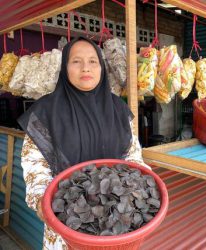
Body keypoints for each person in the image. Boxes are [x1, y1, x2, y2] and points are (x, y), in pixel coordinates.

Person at [18, 37, 150, 249]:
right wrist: (44, 202)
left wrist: (141, 192)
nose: (85, 68)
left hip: (119, 227)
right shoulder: (45, 112)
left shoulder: (118, 109)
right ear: (65, 67)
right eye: (76, 61)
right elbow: (35, 166)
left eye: (93, 61)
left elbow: (133, 157)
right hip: (66, 226)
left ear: (102, 67)